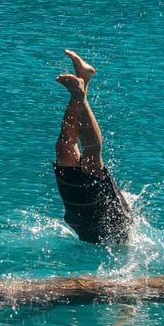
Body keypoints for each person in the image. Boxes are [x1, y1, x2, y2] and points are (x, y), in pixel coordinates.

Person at [53, 49, 133, 244]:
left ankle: (82, 84)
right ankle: (80, 91)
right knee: (91, 163)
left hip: (92, 222)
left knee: (64, 149)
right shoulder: (119, 232)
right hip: (110, 220)